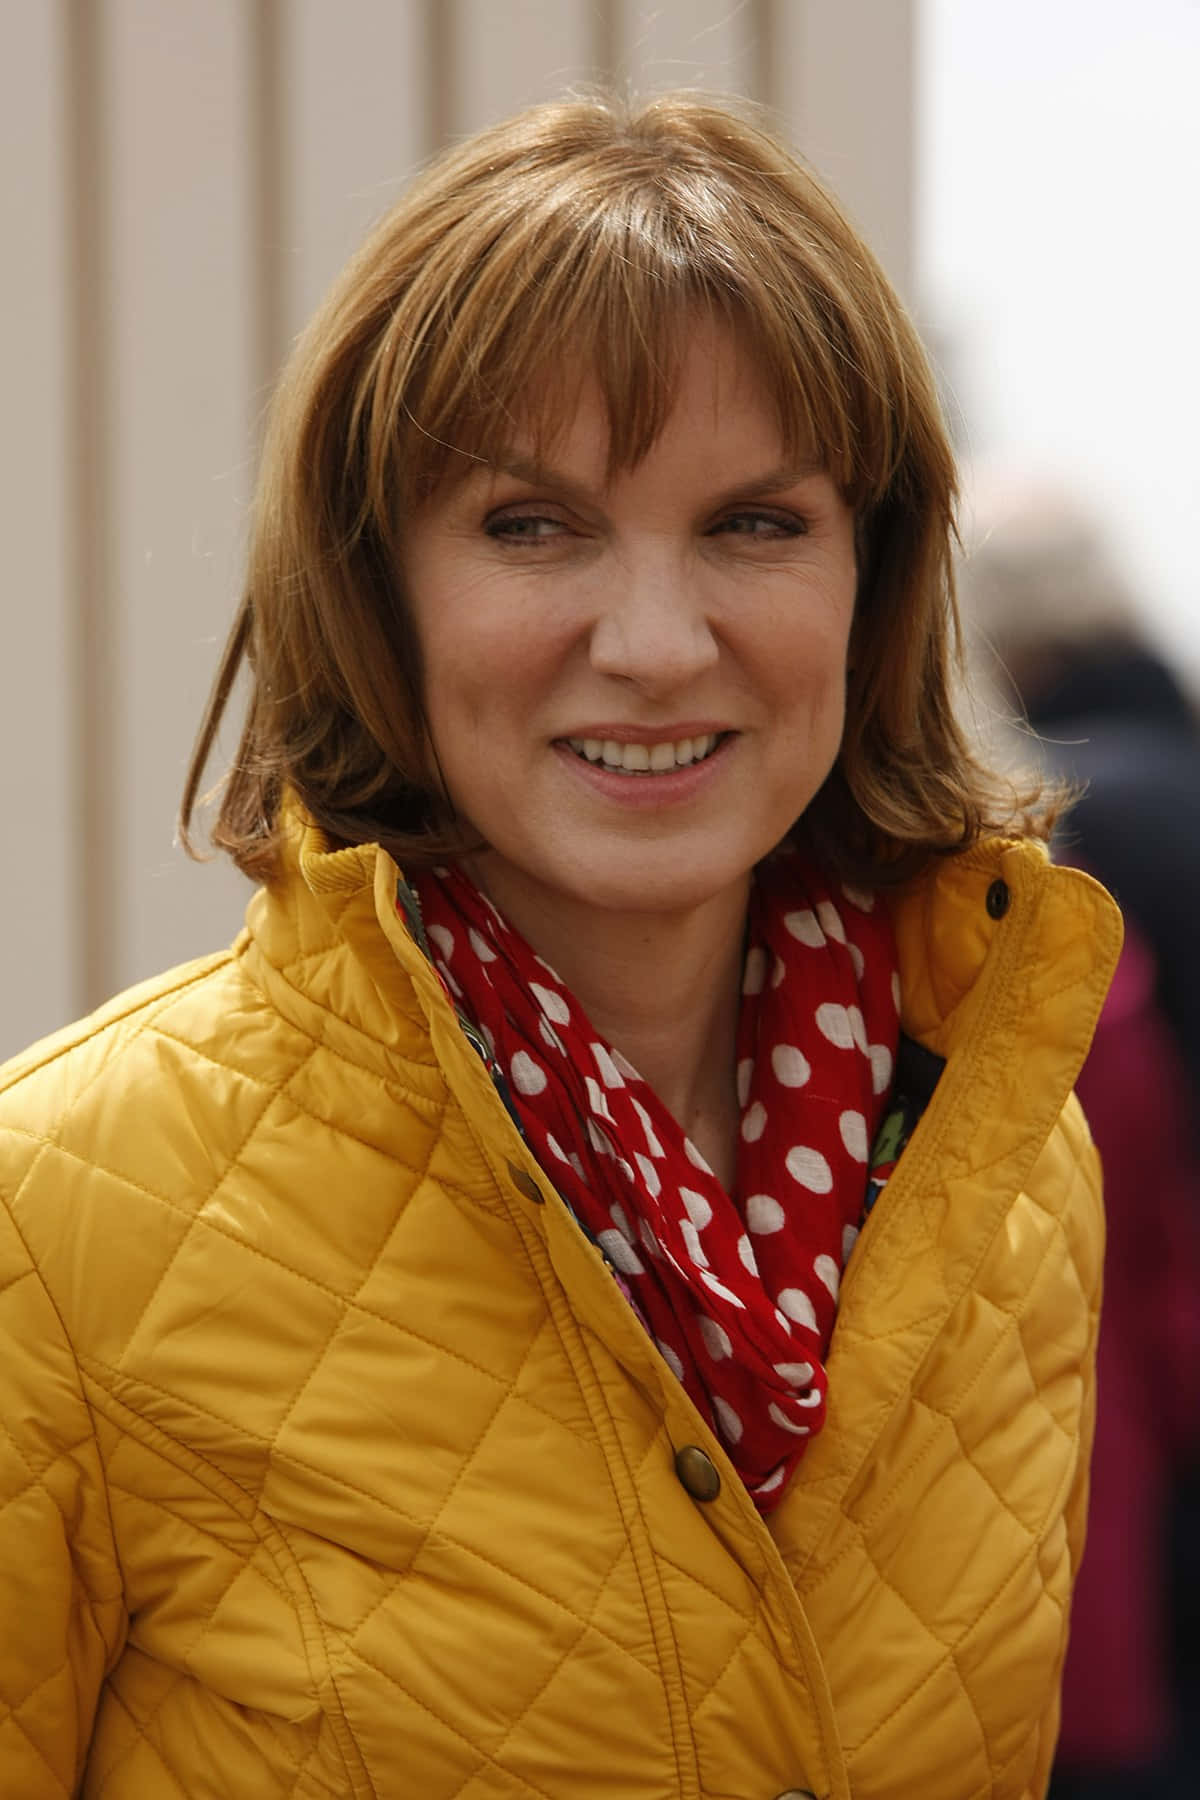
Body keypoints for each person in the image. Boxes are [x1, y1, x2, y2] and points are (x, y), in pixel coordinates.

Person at [0, 94, 1120, 1799]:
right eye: (532, 527)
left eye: (757, 523)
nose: (659, 643)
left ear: (874, 577)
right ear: (379, 586)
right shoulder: (59, 1217)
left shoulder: (1015, 1164)